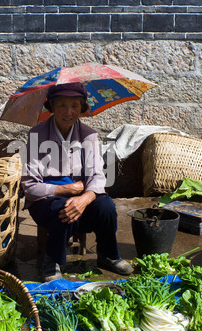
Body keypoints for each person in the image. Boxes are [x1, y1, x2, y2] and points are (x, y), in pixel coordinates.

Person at [21, 82, 133, 282]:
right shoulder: (37, 135)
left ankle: (108, 255)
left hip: (80, 196)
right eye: (62, 105)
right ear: (52, 107)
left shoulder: (88, 135)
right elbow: (30, 186)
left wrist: (85, 198)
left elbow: (97, 175)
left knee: (106, 205)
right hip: (45, 201)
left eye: (74, 105)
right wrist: (65, 189)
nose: (68, 111)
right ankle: (52, 260)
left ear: (82, 108)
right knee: (64, 208)